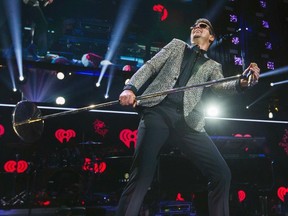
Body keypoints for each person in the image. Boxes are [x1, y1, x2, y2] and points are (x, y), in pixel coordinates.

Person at [117, 18, 260, 216]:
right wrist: (130, 88)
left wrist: (242, 83)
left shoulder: (212, 65)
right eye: (194, 26)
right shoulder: (176, 46)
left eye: (203, 26)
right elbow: (150, 66)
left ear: (212, 36)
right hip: (157, 112)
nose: (196, 28)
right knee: (142, 174)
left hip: (189, 122)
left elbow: (219, 87)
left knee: (221, 174)